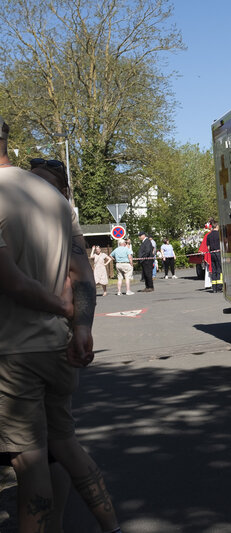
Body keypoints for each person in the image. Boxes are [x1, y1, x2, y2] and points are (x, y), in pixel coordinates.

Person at [0, 115, 122, 532]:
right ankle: (112, 527)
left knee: (29, 461)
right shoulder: (53, 198)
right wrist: (82, 327)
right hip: (56, 348)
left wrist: (64, 310)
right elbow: (81, 272)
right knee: (65, 445)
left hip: (11, 352)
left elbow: (11, 281)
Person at [206, 220, 222, 293]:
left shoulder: (208, 235)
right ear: (217, 226)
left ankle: (214, 287)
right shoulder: (219, 234)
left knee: (214, 269)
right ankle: (219, 287)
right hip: (218, 253)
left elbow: (208, 247)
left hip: (212, 254)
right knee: (219, 270)